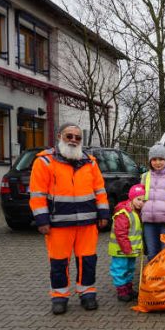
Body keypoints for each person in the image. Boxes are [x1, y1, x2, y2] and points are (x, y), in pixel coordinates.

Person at [29, 123, 110, 314]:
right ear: (59, 136)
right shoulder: (44, 161)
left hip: (87, 223)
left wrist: (104, 214)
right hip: (58, 223)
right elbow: (37, 194)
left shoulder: (90, 162)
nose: (73, 140)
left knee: (88, 260)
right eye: (69, 136)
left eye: (77, 137)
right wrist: (42, 220)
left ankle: (87, 293)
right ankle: (59, 297)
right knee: (58, 262)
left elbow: (100, 190)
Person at [108, 184, 146, 302]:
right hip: (121, 250)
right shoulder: (124, 213)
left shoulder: (136, 212)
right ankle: (121, 290)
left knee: (130, 268)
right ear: (131, 198)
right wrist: (126, 248)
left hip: (130, 250)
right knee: (120, 269)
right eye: (138, 199)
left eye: (143, 200)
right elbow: (121, 233)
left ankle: (128, 288)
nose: (141, 203)